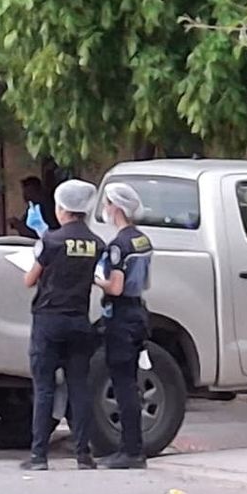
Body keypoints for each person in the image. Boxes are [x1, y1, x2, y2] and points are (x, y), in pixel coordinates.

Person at [20, 179, 105, 471]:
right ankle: (83, 455)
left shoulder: (51, 241)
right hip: (79, 322)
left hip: (48, 321)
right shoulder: (97, 244)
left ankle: (39, 456)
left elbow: (29, 280)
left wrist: (41, 244)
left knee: (44, 389)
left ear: (62, 209)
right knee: (78, 388)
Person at [94, 182, 153, 469]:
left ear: (116, 207)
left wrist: (95, 279)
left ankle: (131, 451)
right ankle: (132, 448)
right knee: (130, 382)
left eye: (106, 203)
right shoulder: (143, 240)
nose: (105, 209)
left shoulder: (119, 245)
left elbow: (115, 287)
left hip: (120, 314)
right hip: (138, 311)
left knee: (124, 386)